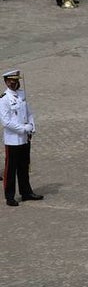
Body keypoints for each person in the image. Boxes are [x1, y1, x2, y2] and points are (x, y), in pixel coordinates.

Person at [2, 70, 42, 206]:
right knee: (10, 169)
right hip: (12, 140)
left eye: (17, 81)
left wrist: (32, 126)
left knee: (24, 167)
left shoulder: (22, 95)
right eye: (13, 82)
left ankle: (26, 192)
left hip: (25, 139)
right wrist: (23, 129)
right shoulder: (4, 99)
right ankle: (9, 196)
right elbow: (6, 121)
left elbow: (28, 112)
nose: (16, 84)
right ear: (7, 82)